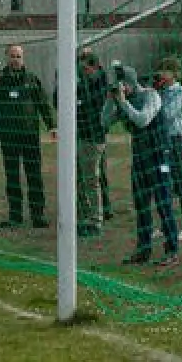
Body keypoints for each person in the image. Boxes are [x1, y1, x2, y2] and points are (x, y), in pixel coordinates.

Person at [103, 64, 179, 268]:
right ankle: (143, 250)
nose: (121, 88)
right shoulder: (122, 100)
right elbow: (104, 122)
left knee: (163, 204)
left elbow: (143, 120)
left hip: (159, 154)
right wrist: (111, 102)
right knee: (141, 205)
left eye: (123, 84)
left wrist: (123, 103)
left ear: (130, 82)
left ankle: (172, 250)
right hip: (140, 156)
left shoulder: (150, 95)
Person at [0, 45, 54, 229]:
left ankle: (37, 215)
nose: (15, 59)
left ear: (23, 58)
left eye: (19, 56)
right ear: (7, 58)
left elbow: (43, 104)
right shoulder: (0, 81)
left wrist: (52, 125)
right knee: (12, 177)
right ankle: (15, 216)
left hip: (30, 135)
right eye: (12, 56)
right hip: (9, 136)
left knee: (34, 175)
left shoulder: (32, 79)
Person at [155, 57, 182, 241]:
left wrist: (155, 105)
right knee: (165, 182)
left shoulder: (180, 92)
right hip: (162, 141)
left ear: (174, 74)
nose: (162, 74)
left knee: (179, 182)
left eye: (166, 71)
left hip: (175, 141)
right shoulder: (160, 91)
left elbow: (169, 114)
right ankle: (166, 225)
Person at [73, 49, 109, 237]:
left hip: (94, 137)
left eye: (86, 68)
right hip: (81, 135)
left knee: (92, 179)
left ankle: (96, 219)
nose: (83, 72)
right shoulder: (81, 84)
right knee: (80, 179)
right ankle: (86, 216)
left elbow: (93, 105)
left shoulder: (100, 85)